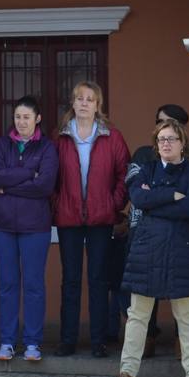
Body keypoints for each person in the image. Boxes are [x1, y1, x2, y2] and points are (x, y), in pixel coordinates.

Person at [114, 118, 189, 377]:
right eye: (161, 139)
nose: (166, 144)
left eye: (172, 139)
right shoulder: (145, 169)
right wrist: (172, 195)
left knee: (187, 317)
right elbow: (139, 201)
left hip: (183, 251)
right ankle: (126, 372)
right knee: (138, 316)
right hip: (148, 251)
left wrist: (156, 200)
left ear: (182, 144)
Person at [52, 81, 129, 358]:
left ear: (98, 105)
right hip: (68, 217)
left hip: (101, 217)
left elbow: (124, 174)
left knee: (98, 279)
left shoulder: (113, 136)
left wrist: (114, 203)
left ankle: (99, 341)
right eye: (79, 98)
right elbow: (51, 176)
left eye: (90, 99)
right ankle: (68, 340)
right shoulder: (60, 137)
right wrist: (57, 203)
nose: (84, 103)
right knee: (70, 280)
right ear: (72, 103)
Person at [0, 96, 57, 363]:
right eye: (17, 116)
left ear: (37, 118)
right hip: (3, 225)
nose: (21, 121)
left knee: (34, 284)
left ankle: (32, 343)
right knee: (7, 284)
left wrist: (10, 184)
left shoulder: (47, 147)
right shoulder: (3, 144)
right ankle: (6, 342)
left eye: (26, 117)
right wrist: (29, 174)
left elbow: (46, 185)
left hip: (35, 226)